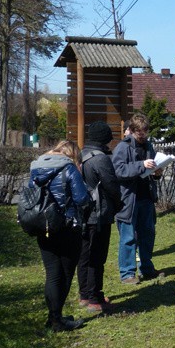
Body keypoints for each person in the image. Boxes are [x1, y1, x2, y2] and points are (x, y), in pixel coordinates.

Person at [28, 140, 90, 332]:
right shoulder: (69, 168)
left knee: (52, 274)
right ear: (72, 155)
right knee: (64, 274)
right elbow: (82, 199)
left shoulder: (37, 167)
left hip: (43, 224)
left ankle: (53, 317)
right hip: (66, 226)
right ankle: (57, 320)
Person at [112, 114, 163, 284]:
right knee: (128, 237)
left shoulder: (148, 146)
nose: (143, 135)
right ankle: (127, 273)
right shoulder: (122, 147)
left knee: (147, 235)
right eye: (140, 132)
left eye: (145, 132)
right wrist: (141, 165)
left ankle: (147, 268)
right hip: (128, 200)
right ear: (132, 131)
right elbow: (118, 170)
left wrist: (157, 173)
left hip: (146, 197)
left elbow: (152, 169)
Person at [77, 121, 121, 312]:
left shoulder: (82, 154)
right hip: (98, 214)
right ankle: (96, 298)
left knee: (84, 255)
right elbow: (112, 187)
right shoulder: (101, 159)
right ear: (105, 139)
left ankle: (85, 295)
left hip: (83, 213)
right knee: (97, 256)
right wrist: (118, 204)